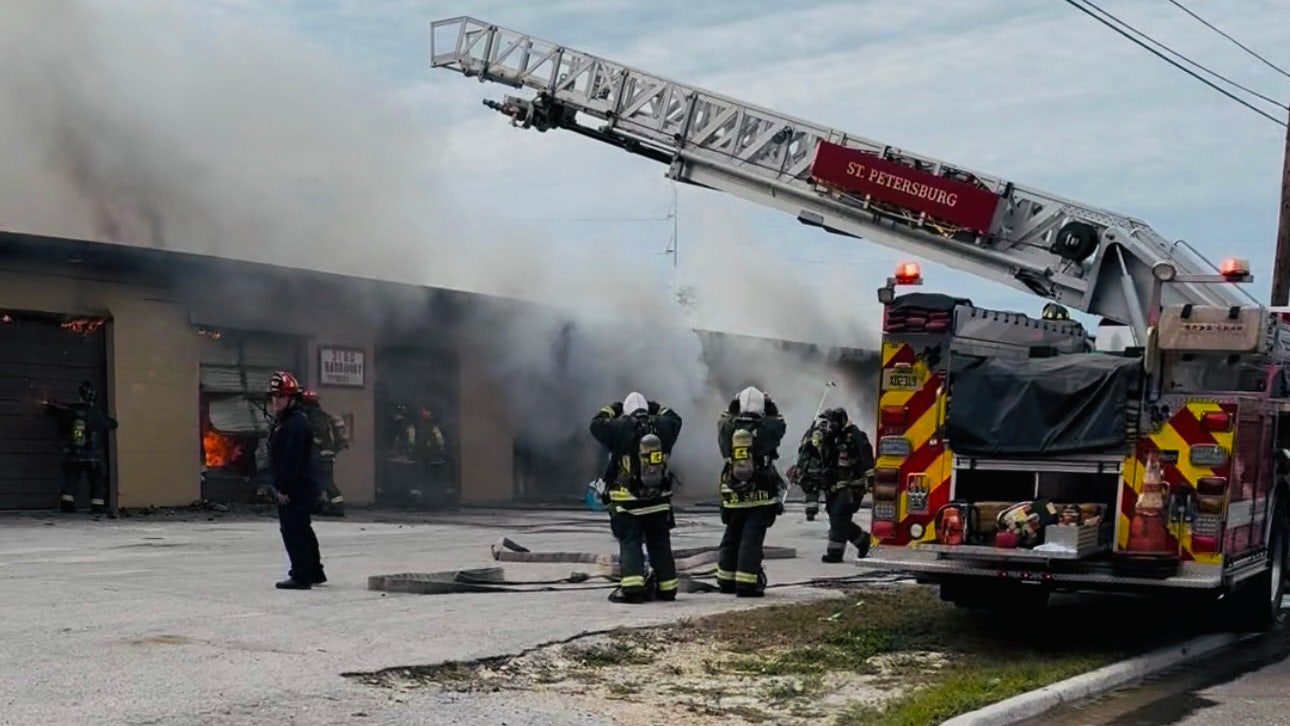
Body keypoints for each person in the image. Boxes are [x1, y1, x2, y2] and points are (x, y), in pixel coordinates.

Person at [589, 392, 683, 604]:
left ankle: (632, 589)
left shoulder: (618, 428)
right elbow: (676, 418)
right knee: (660, 544)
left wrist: (613, 407)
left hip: (628, 501)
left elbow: (596, 424)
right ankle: (668, 589)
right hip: (659, 500)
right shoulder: (665, 427)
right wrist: (655, 406)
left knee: (630, 541)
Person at [716, 386, 786, 597]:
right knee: (751, 540)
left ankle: (725, 581)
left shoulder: (727, 428)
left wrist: (733, 406)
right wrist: (770, 405)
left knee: (731, 537)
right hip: (760, 496)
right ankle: (746, 584)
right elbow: (780, 422)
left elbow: (723, 420)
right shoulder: (767, 428)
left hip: (733, 495)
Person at [266, 371, 325, 590]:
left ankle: (301, 575)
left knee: (293, 529)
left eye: (280, 396)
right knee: (303, 527)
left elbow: (291, 459)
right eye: (274, 396)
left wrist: (283, 487)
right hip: (301, 485)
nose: (275, 400)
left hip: (295, 487)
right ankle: (314, 571)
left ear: (292, 398)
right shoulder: (289, 421)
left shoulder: (294, 424)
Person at [803, 407, 875, 562]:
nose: (830, 427)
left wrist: (870, 477)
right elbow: (815, 455)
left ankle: (835, 553)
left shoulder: (855, 435)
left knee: (838, 516)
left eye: (833, 424)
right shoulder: (828, 438)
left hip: (851, 486)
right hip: (834, 486)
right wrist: (811, 441)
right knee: (837, 517)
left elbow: (866, 456)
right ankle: (863, 541)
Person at [44, 381, 118, 514]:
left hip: (74, 455)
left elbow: (58, 417)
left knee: (71, 480)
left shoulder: (71, 411)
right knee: (96, 482)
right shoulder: (97, 414)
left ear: (80, 396)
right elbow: (112, 424)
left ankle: (67, 506)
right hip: (93, 457)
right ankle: (97, 507)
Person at [300, 388, 350, 517]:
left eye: (303, 402)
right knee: (316, 481)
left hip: (323, 454)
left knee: (327, 482)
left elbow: (319, 434)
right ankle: (315, 505)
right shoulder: (319, 415)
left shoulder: (316, 416)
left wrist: (311, 440)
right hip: (323, 454)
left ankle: (338, 508)